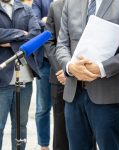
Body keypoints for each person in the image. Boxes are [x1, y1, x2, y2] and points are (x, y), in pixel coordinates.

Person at [56, 0, 119, 149]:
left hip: (109, 96)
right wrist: (70, 66)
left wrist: (101, 68)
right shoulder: (71, 3)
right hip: (74, 95)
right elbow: (62, 44)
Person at [0, 0, 41, 149]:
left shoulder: (26, 9)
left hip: (24, 77)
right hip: (1, 78)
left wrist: (9, 42)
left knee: (21, 126)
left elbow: (35, 35)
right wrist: (20, 34)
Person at [44, 0, 69, 149]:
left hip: (86, 78)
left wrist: (74, 70)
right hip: (59, 77)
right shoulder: (56, 6)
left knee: (86, 129)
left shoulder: (91, 4)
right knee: (60, 128)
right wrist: (62, 69)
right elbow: (49, 41)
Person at [32, 0, 52, 149]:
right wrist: (49, 22)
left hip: (65, 63)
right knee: (43, 108)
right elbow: (34, 22)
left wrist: (46, 20)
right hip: (44, 63)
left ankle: (63, 143)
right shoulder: (39, 1)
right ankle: (43, 145)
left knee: (65, 108)